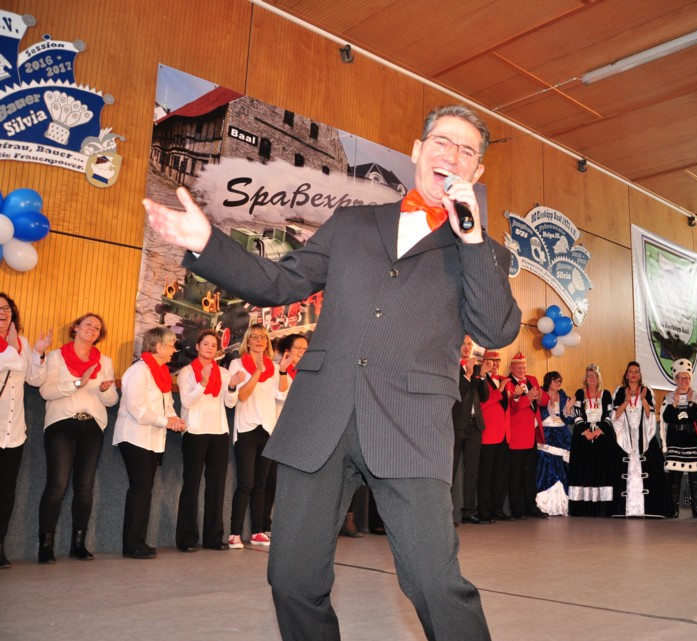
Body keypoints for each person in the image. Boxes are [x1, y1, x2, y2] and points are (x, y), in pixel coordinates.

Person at [143, 104, 520, 641]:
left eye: (467, 151)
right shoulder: (353, 224)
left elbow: (497, 329)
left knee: (436, 584)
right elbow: (279, 284)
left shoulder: (483, 252)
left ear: (476, 171)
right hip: (321, 416)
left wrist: (473, 239)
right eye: (442, 141)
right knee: (292, 580)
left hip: (411, 426)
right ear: (418, 150)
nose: (452, 155)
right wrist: (207, 243)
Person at [38, 312, 118, 563]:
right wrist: (76, 384)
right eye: (88, 324)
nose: (92, 329)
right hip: (61, 426)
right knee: (57, 485)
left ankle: (79, 544)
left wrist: (105, 390)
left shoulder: (104, 361)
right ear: (75, 328)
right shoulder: (56, 356)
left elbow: (112, 400)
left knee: (84, 487)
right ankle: (46, 546)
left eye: (97, 328)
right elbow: (45, 391)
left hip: (91, 427)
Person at [113, 326, 186, 559]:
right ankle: (132, 544)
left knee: (145, 490)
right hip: (134, 436)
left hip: (152, 439)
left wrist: (174, 419)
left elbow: (167, 404)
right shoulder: (139, 371)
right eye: (171, 345)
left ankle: (138, 541)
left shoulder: (161, 372)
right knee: (141, 488)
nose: (174, 350)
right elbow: (137, 409)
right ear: (158, 346)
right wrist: (166, 421)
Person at [175, 329, 245, 552]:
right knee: (191, 485)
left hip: (219, 432)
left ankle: (213, 538)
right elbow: (187, 402)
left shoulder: (223, 372)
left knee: (216, 486)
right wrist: (203, 383)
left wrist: (232, 386)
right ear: (197, 346)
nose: (209, 348)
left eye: (213, 345)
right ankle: (186, 539)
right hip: (194, 432)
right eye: (205, 344)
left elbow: (230, 403)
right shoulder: (186, 372)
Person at [226, 323, 291, 549]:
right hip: (246, 430)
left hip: (268, 430)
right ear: (247, 340)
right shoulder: (237, 364)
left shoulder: (274, 367)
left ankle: (257, 531)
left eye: (263, 337)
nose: (259, 340)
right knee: (246, 483)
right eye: (254, 336)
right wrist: (257, 371)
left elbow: (282, 395)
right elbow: (242, 396)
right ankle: (234, 533)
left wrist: (282, 371)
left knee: (261, 484)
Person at [0, 293, 49, 568]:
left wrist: (37, 353)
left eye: (6, 308)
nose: (2, 312)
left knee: (6, 492)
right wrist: (12, 349)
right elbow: (10, 363)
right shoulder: (13, 348)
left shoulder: (22, 343)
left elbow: (34, 379)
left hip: (14, 433)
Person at [610, 361, 671, 518]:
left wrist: (643, 399)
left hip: (643, 436)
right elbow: (615, 416)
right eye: (631, 371)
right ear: (626, 374)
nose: (634, 374)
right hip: (625, 436)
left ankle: (648, 508)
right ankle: (624, 508)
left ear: (639, 375)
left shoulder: (647, 391)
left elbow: (650, 415)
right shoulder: (619, 391)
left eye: (636, 371)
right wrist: (626, 400)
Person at [264, 333, 308, 539]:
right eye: (298, 348)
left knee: (297, 484)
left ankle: (295, 528)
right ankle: (266, 525)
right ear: (287, 351)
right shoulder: (276, 370)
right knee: (273, 482)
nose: (302, 352)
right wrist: (283, 371)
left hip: (301, 434)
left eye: (305, 349)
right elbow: (281, 395)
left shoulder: (307, 373)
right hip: (280, 434)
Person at [660, 359, 697, 519]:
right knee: (675, 478)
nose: (684, 381)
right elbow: (667, 417)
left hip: (693, 440)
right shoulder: (668, 397)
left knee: (696, 478)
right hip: (676, 440)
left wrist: (689, 404)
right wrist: (675, 404)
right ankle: (673, 509)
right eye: (681, 378)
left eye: (686, 377)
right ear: (676, 379)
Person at [568, 364, 616, 517]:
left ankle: (601, 508)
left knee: (600, 470)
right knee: (583, 470)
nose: (592, 378)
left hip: (601, 436)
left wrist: (598, 431)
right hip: (583, 437)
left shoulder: (606, 394)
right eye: (589, 376)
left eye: (594, 376)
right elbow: (577, 414)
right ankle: (582, 507)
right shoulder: (580, 393)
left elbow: (609, 415)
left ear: (598, 378)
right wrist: (586, 431)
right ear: (586, 379)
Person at [453, 336, 490, 525]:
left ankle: (468, 511)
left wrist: (481, 376)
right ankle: (447, 514)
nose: (467, 347)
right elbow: (457, 393)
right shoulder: (451, 365)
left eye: (469, 344)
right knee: (451, 470)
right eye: (463, 344)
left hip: (475, 425)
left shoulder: (475, 367)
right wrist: (467, 375)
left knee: (472, 471)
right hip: (457, 424)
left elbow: (484, 396)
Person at [505, 352, 546, 519]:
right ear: (511, 368)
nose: (522, 371)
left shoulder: (532, 380)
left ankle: (531, 506)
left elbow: (544, 401)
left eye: (524, 367)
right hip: (516, 437)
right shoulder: (507, 383)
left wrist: (539, 396)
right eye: (518, 368)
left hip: (531, 435)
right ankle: (517, 509)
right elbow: (512, 408)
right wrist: (527, 398)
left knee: (530, 475)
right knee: (515, 476)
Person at [476, 350, 512, 522]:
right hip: (488, 435)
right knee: (486, 475)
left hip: (505, 434)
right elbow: (481, 405)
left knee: (501, 475)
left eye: (497, 360)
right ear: (484, 362)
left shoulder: (505, 379)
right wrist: (499, 391)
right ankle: (484, 511)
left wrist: (516, 397)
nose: (495, 364)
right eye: (491, 361)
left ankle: (498, 509)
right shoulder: (480, 379)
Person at [534, 371, 573, 516]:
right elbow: (536, 414)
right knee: (547, 465)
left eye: (560, 381)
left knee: (562, 468)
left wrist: (568, 411)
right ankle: (545, 505)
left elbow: (568, 420)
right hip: (546, 435)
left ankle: (562, 505)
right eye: (555, 381)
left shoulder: (563, 397)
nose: (558, 384)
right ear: (548, 382)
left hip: (562, 436)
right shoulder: (540, 395)